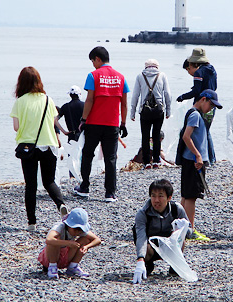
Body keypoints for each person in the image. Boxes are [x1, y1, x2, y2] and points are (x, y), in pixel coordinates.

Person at [10, 67, 68, 231]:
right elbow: (53, 122)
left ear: (21, 83)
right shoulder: (48, 100)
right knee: (49, 181)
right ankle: (61, 204)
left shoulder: (20, 102)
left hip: (29, 147)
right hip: (49, 146)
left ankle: (32, 223)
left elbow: (16, 127)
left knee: (31, 185)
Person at [74, 46, 130, 202]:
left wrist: (83, 120)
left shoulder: (93, 76)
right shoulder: (121, 77)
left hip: (93, 123)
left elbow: (90, 99)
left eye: (93, 61)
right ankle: (110, 193)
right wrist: (123, 123)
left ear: (97, 59)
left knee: (87, 154)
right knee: (110, 158)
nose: (93, 64)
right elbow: (124, 103)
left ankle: (84, 187)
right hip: (112, 124)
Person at [181, 89, 222, 241]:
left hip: (190, 160)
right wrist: (198, 155)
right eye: (210, 105)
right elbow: (186, 136)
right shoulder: (195, 115)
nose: (211, 109)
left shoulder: (194, 113)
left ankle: (182, 226)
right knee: (191, 196)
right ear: (203, 99)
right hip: (194, 161)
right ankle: (190, 229)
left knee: (186, 195)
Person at [132, 179, 192, 283]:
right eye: (153, 196)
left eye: (160, 196)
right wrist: (140, 259)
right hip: (151, 246)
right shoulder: (143, 213)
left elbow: (190, 233)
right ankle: (148, 263)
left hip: (171, 246)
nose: (156, 200)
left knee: (179, 235)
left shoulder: (176, 209)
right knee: (141, 240)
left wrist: (184, 228)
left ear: (169, 198)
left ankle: (175, 264)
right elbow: (141, 236)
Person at [177, 48, 218, 164]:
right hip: (212, 103)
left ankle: (206, 158)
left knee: (200, 131)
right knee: (206, 131)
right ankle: (211, 158)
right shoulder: (212, 70)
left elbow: (196, 91)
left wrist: (182, 97)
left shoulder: (199, 72)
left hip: (203, 104)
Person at [130, 59, 172, 169]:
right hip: (158, 111)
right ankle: (156, 161)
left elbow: (135, 95)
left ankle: (146, 162)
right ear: (157, 66)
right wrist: (168, 110)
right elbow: (167, 94)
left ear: (146, 67)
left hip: (145, 111)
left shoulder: (140, 76)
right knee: (156, 135)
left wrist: (132, 112)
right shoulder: (162, 75)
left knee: (145, 135)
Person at [38, 208, 101, 279]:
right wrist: (68, 243)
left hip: (66, 257)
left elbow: (97, 240)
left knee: (85, 240)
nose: (77, 233)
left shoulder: (80, 231)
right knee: (55, 240)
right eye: (75, 229)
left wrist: (87, 247)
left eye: (79, 231)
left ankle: (72, 267)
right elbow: (48, 240)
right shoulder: (60, 227)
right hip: (50, 257)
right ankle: (52, 267)